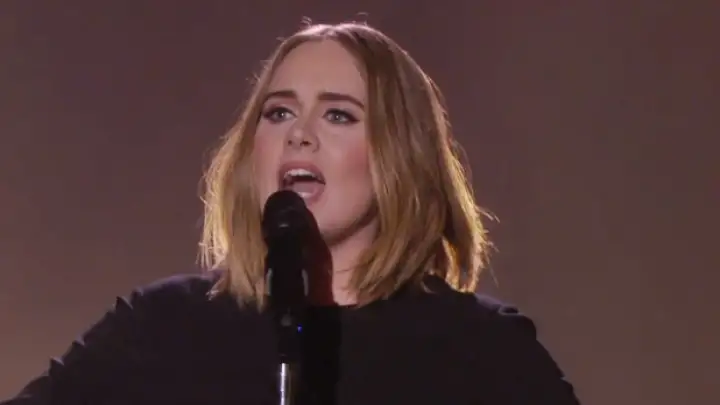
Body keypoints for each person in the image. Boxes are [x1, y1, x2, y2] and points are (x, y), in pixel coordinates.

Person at [3, 21, 581, 405]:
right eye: (278, 113)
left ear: (400, 154)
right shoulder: (160, 327)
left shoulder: (483, 351)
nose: (299, 134)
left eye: (339, 115)